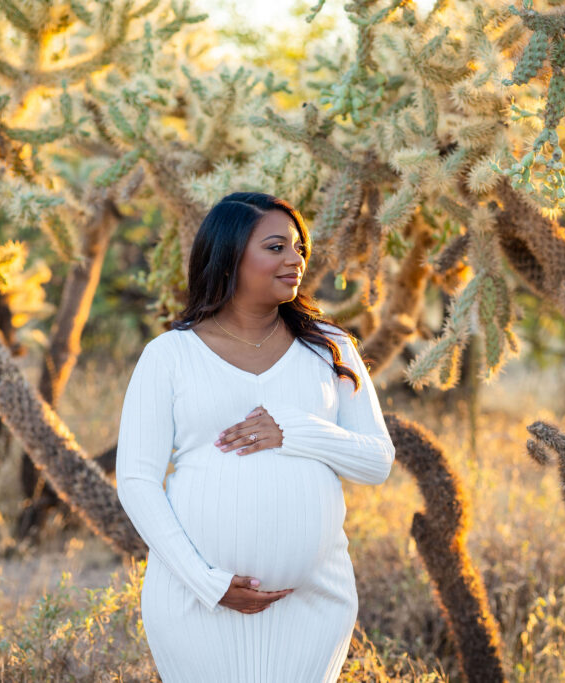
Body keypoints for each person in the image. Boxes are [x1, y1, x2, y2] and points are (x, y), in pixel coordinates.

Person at [115, 192, 396, 682]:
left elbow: (377, 460)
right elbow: (136, 480)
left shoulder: (331, 349)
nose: (296, 260)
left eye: (299, 247)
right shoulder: (170, 355)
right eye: (276, 247)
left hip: (312, 605)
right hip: (196, 604)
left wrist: (295, 430)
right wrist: (208, 583)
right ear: (229, 257)